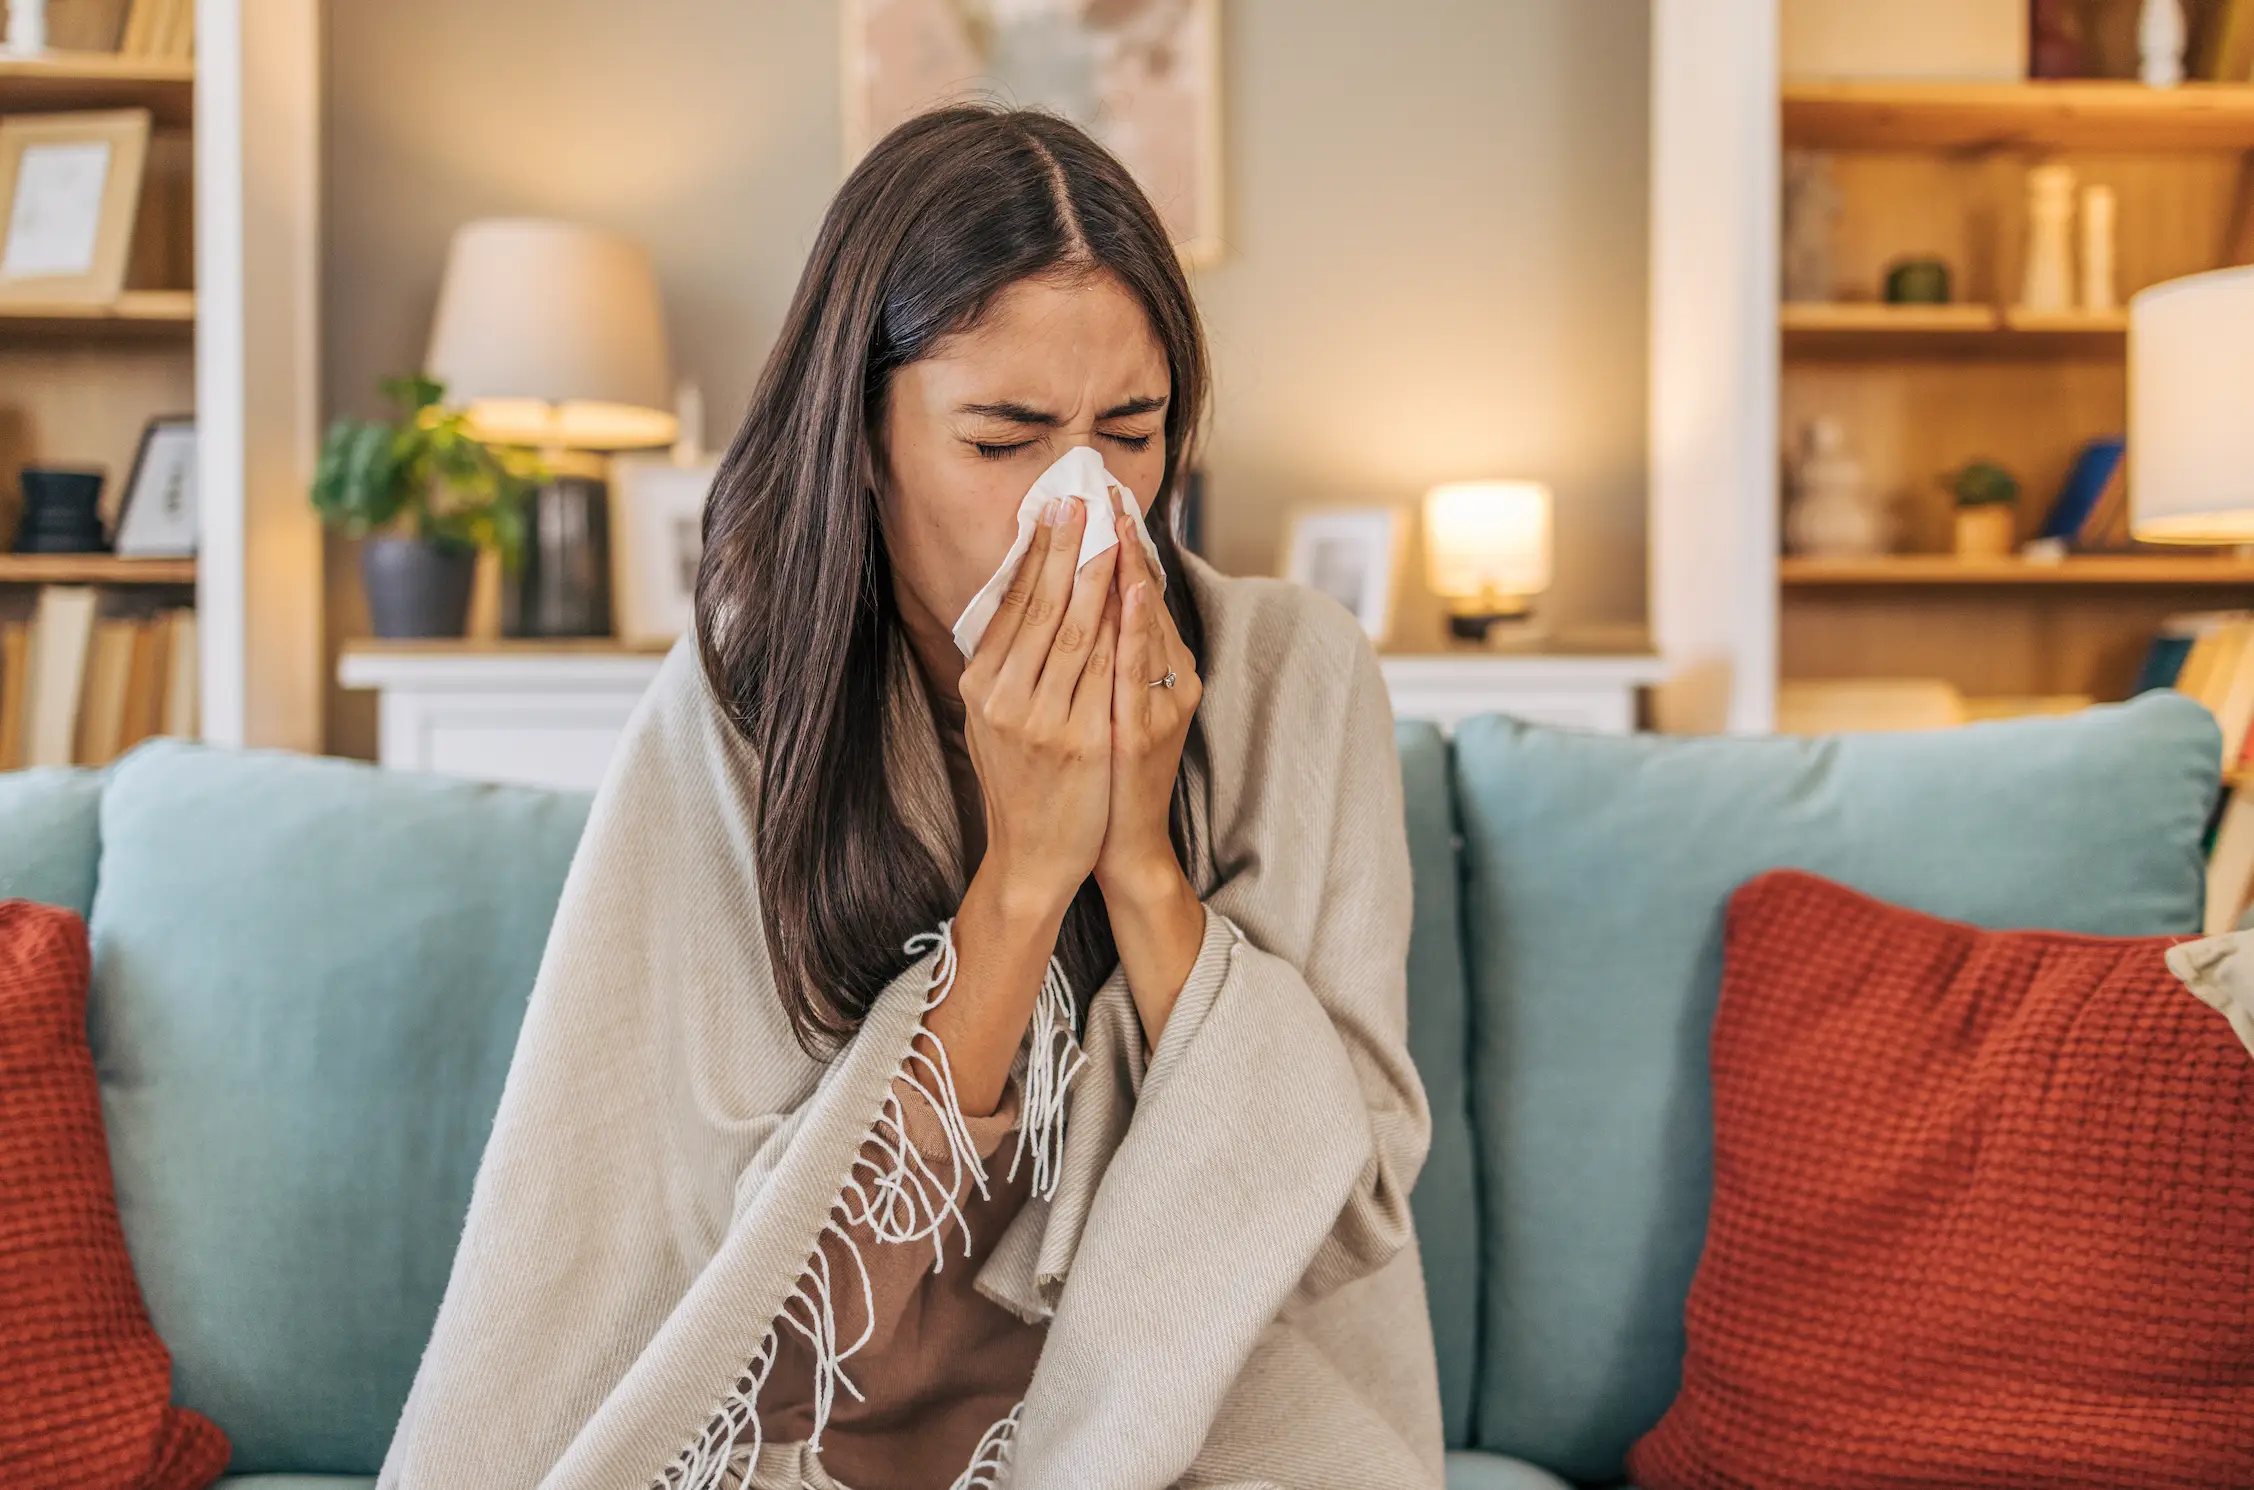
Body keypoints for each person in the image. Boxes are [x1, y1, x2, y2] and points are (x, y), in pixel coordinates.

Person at [377, 105, 1441, 1490]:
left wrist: (1135, 861)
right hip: (811, 1447)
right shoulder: (742, 706)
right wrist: (1019, 879)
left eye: (1130, 430)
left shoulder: (1293, 676)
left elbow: (1341, 1204)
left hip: (1189, 1430)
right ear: (862, 434)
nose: (1082, 502)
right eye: (1002, 438)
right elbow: (751, 1305)